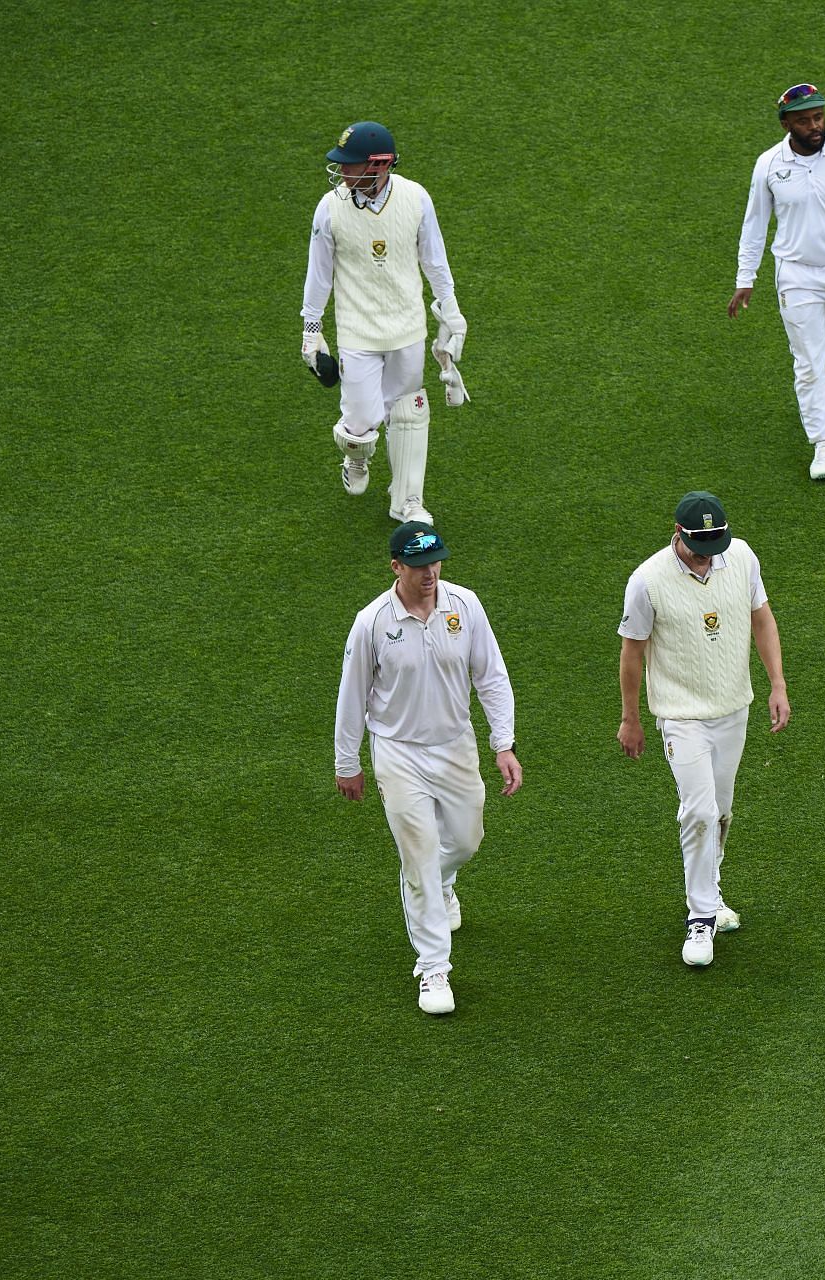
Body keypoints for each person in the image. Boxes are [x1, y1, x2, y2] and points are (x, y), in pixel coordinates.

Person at [334, 522, 521, 1015]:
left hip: (455, 745)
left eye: (435, 562)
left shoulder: (465, 606)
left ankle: (440, 884)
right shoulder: (372, 622)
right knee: (416, 855)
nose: (430, 573)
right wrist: (347, 762)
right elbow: (351, 697)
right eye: (418, 566)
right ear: (396, 567)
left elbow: (492, 676)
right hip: (398, 753)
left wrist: (503, 744)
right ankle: (433, 967)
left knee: (464, 841)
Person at [616, 491, 791, 967]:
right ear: (678, 535)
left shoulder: (742, 557)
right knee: (698, 810)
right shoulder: (647, 581)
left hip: (734, 707)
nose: (708, 555)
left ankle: (711, 894)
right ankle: (701, 918)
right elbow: (632, 653)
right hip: (681, 715)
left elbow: (762, 619)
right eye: (699, 547)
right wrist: (631, 718)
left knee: (721, 811)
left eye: (715, 545)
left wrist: (778, 684)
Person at [302, 120, 471, 524]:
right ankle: (355, 458)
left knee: (409, 411)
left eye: (350, 165)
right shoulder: (331, 208)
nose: (342, 172)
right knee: (359, 424)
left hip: (407, 329)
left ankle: (407, 501)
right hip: (358, 332)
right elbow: (319, 273)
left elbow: (435, 260)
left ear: (377, 166)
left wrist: (451, 311)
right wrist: (311, 331)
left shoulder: (415, 199)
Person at [730, 83, 825, 482]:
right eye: (804, 120)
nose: (814, 126)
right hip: (796, 275)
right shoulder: (769, 165)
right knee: (807, 362)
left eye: (818, 117)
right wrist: (745, 277)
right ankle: (823, 443)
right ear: (786, 124)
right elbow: (754, 224)